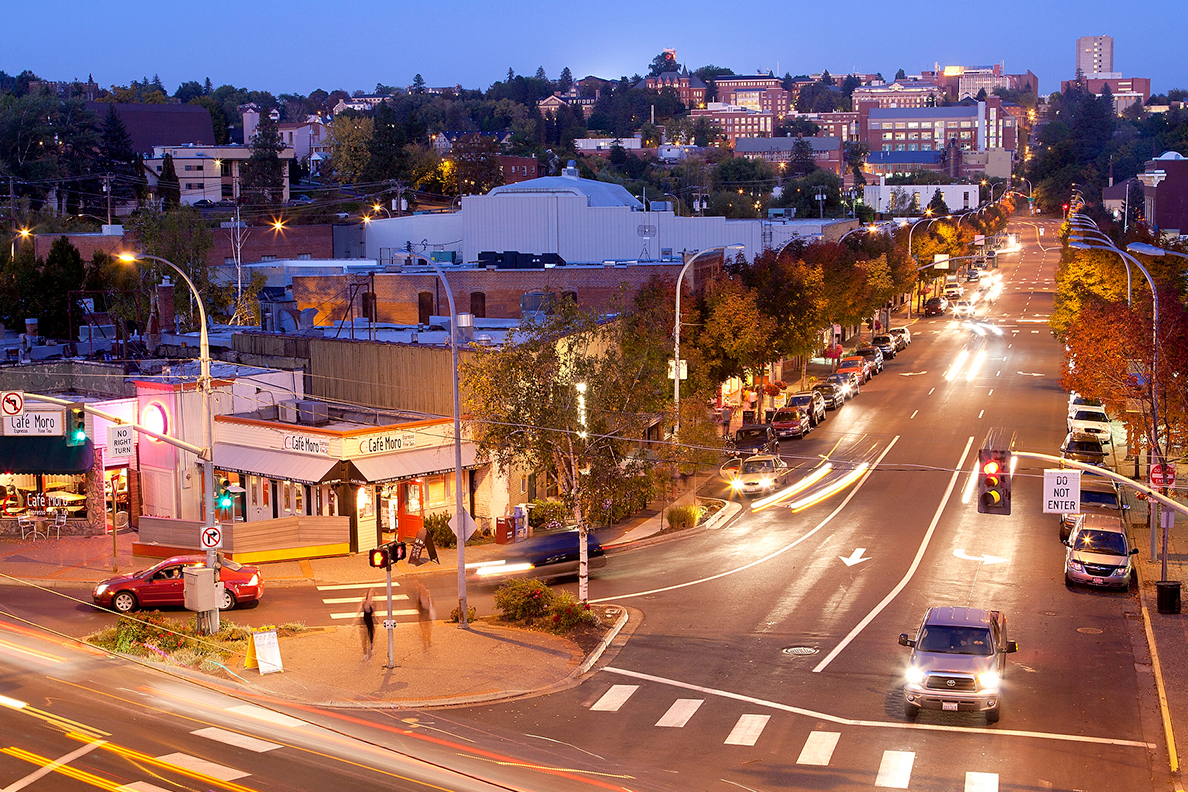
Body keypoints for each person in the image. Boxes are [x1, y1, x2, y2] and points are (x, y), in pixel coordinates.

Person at [409, 581, 435, 650]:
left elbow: (432, 604)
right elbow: (417, 607)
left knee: (429, 630)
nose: (423, 590)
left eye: (423, 588)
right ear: (420, 591)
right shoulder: (419, 598)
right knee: (423, 631)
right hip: (422, 617)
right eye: (421, 589)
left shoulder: (429, 597)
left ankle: (428, 640)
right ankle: (425, 645)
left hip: (428, 616)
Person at [361, 589, 376, 660]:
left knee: (371, 634)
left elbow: (374, 614)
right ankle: (365, 654)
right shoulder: (364, 602)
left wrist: (377, 620)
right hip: (364, 623)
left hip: (370, 622)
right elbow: (359, 611)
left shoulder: (372, 604)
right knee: (364, 638)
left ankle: (371, 648)